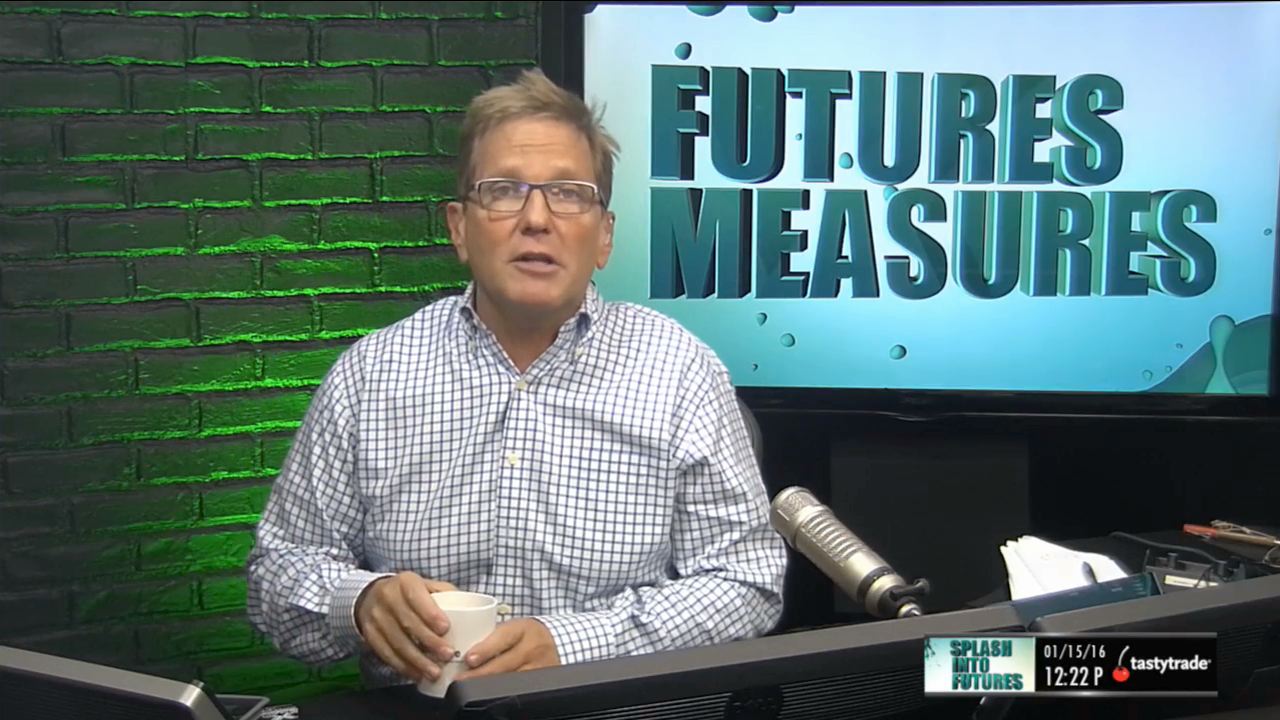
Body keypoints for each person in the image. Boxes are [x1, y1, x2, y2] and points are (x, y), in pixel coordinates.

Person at [246, 68, 787, 690]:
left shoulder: (680, 372)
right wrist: (359, 602)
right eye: (504, 191)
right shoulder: (372, 375)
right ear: (459, 228)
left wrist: (573, 645)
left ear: (604, 236)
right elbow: (274, 579)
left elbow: (746, 584)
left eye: (569, 193)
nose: (536, 218)